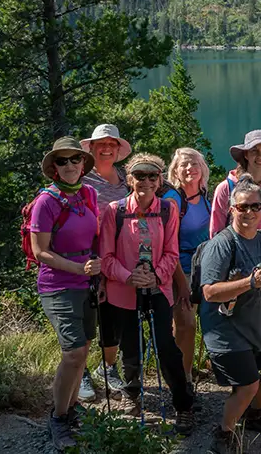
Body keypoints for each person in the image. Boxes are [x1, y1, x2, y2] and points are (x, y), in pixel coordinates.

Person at [99, 153, 195, 433]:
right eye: (140, 176)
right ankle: (132, 394)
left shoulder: (168, 210)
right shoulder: (114, 211)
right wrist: (129, 277)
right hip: (123, 291)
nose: (146, 181)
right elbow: (105, 257)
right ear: (130, 180)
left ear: (160, 179)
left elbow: (171, 252)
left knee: (166, 347)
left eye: (152, 176)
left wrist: (156, 275)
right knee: (131, 346)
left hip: (157, 290)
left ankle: (183, 405)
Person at [199, 174, 261, 454]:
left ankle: (255, 414)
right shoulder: (222, 244)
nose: (249, 212)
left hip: (258, 324)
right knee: (248, 385)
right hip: (226, 330)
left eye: (255, 207)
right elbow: (209, 292)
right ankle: (224, 432)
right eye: (242, 207)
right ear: (231, 209)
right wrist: (247, 283)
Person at [29, 137, 100, 451]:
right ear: (54, 168)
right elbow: (39, 251)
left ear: (83, 163)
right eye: (63, 161)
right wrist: (78, 269)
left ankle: (71, 409)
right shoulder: (46, 202)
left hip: (87, 283)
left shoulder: (89, 194)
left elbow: (95, 236)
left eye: (75, 159)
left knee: (83, 350)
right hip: (58, 286)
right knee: (72, 353)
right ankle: (58, 418)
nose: (70, 165)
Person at [79, 123, 131, 399]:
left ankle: (107, 367)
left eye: (112, 144)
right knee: (87, 318)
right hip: (89, 259)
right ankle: (81, 372)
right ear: (93, 148)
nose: (107, 148)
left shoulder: (124, 179)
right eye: (102, 144)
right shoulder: (83, 180)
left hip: (119, 259)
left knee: (114, 317)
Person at [161, 148, 211, 381]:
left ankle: (184, 368)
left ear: (202, 169)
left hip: (205, 269)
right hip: (179, 270)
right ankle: (183, 379)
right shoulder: (172, 201)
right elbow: (167, 244)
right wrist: (181, 281)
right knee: (186, 324)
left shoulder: (205, 198)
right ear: (175, 172)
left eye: (194, 164)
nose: (190, 168)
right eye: (184, 165)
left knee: (192, 324)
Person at [210, 130, 261, 257]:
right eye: (254, 151)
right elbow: (216, 233)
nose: (260, 156)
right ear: (246, 155)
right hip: (235, 261)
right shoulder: (226, 188)